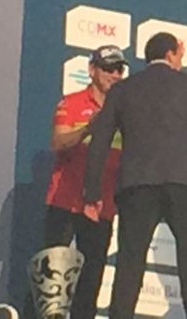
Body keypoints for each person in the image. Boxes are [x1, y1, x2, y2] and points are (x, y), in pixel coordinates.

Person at [83, 32, 187, 319]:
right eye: (179, 55)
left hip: (137, 183)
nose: (180, 61)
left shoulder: (122, 90)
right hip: (184, 183)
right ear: (170, 54)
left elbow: (99, 142)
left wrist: (92, 193)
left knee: (130, 263)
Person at [41, 45, 126, 319]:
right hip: (65, 202)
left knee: (90, 283)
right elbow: (57, 142)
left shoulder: (125, 112)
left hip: (102, 207)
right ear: (92, 70)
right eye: (108, 68)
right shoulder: (72, 103)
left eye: (119, 69)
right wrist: (90, 128)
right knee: (51, 283)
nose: (114, 74)